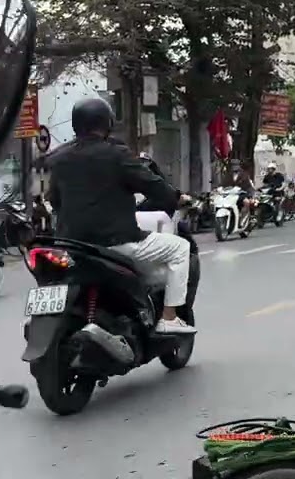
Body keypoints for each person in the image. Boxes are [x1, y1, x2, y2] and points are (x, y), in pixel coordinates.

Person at [45, 97, 196, 334]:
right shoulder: (116, 154)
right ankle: (169, 317)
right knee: (180, 248)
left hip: (72, 245)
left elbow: (54, 199)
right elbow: (151, 184)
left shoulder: (60, 159)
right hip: (115, 243)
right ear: (107, 123)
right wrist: (177, 198)